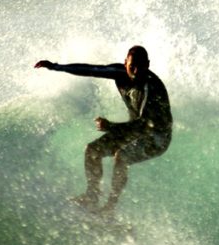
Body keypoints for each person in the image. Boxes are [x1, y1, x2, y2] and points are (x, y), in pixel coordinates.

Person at [34, 45, 172, 214]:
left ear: (148, 65)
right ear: (125, 63)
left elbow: (144, 124)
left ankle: (109, 208)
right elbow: (90, 69)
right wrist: (56, 66)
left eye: (140, 67)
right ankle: (91, 196)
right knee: (93, 150)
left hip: (157, 137)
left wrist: (111, 127)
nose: (136, 71)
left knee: (122, 156)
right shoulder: (120, 73)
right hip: (135, 129)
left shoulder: (151, 87)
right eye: (132, 66)